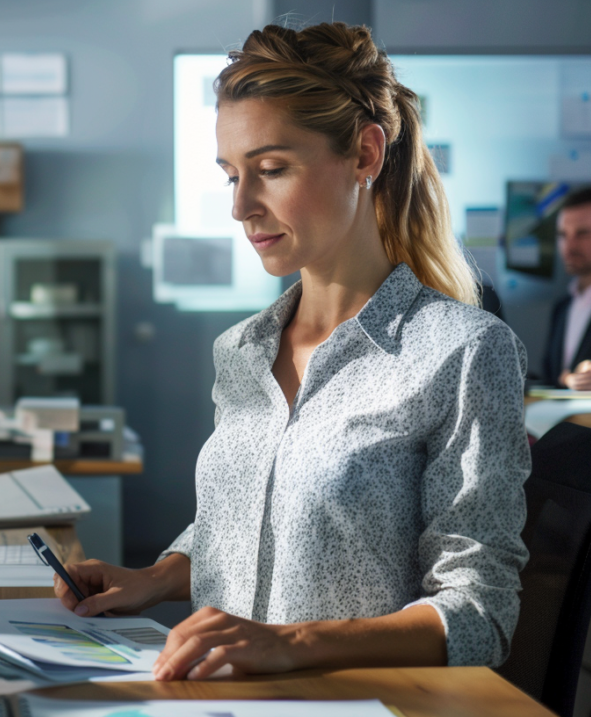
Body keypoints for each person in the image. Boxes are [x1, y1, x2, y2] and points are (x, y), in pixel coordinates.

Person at [55, 22, 529, 681]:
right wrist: (154, 578)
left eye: (272, 169)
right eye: (231, 175)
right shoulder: (242, 350)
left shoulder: (464, 350)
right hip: (221, 697)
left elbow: (480, 615)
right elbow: (247, 522)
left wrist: (293, 643)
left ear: (366, 154)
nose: (243, 206)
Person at [542, 187, 591, 390]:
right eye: (563, 235)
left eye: (582, 233)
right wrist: (566, 379)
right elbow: (551, 376)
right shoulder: (562, 307)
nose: (569, 246)